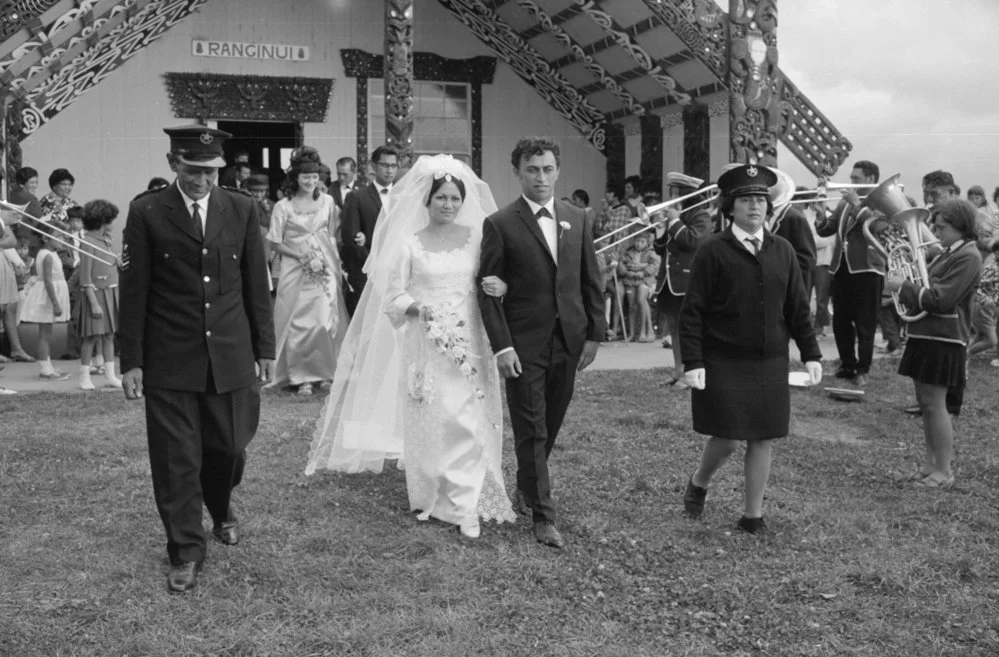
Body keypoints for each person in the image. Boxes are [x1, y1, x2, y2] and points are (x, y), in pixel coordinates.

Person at [306, 154, 515, 538]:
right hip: (427, 342)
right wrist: (417, 308)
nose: (448, 205)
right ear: (427, 200)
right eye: (441, 198)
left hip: (469, 342)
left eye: (454, 198)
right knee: (435, 417)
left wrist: (500, 286)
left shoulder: (477, 239)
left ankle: (465, 504)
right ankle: (434, 495)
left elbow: (492, 280)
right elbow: (392, 295)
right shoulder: (409, 244)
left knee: (468, 419)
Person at [118, 125, 274, 593]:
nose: (200, 180)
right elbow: (134, 290)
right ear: (172, 164)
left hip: (229, 353)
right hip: (169, 356)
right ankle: (185, 550)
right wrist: (131, 361)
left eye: (208, 171)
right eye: (191, 170)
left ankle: (221, 506)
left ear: (219, 168)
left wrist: (265, 348)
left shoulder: (241, 208)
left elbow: (255, 284)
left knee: (228, 446)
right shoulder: (147, 212)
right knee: (175, 458)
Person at [679, 164, 822, 534]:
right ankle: (699, 482)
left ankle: (752, 515)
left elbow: (796, 307)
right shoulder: (713, 250)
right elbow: (692, 311)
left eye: (760, 199)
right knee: (726, 438)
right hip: (723, 359)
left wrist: (811, 353)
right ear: (731, 207)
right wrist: (692, 361)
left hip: (769, 360)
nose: (755, 206)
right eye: (746, 200)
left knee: (763, 436)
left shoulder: (783, 251)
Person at [478, 137, 605, 549]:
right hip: (524, 344)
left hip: (569, 340)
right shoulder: (500, 223)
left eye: (548, 169)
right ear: (518, 172)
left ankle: (528, 484)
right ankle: (544, 516)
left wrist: (593, 335)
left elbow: (590, 281)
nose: (541, 177)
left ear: (558, 171)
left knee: (550, 422)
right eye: (532, 169)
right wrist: (502, 346)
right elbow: (488, 291)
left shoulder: (577, 218)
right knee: (531, 427)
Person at [885, 200, 982, 488]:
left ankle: (944, 470)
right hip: (925, 333)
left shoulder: (969, 256)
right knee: (926, 404)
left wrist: (903, 286)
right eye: (935, 226)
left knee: (936, 405)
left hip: (945, 337)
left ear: (960, 225)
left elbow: (941, 299)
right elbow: (926, 287)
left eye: (942, 227)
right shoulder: (946, 253)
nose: (936, 232)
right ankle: (930, 465)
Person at [266, 147, 348, 396]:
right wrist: (300, 255)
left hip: (322, 268)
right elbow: (274, 242)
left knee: (324, 320)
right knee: (298, 323)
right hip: (295, 268)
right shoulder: (283, 206)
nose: (311, 181)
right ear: (295, 178)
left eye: (315, 177)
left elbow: (332, 234)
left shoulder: (328, 202)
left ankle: (324, 372)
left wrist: (331, 262)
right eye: (305, 177)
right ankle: (301, 377)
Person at [815, 160, 885, 387]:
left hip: (866, 268)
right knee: (841, 321)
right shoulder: (845, 204)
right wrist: (820, 215)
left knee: (865, 322)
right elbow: (827, 229)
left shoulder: (881, 201)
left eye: (856, 178)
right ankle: (847, 364)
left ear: (871, 179)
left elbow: (877, 228)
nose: (851, 182)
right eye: (852, 177)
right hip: (842, 267)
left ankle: (863, 369)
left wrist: (858, 206)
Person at [653, 173, 714, 387]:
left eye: (676, 192)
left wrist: (675, 221)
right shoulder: (676, 216)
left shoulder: (701, 216)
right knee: (674, 327)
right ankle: (678, 369)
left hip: (687, 281)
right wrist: (660, 232)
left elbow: (693, 241)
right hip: (669, 281)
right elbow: (661, 251)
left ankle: (691, 371)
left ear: (687, 194)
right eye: (672, 191)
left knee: (689, 328)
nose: (672, 196)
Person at [342, 146, 399, 316]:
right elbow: (350, 237)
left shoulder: (404, 197)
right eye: (384, 165)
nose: (389, 170)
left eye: (393, 166)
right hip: (366, 270)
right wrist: (372, 263)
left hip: (397, 269)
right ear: (373, 167)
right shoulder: (357, 196)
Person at [76, 200, 121, 390]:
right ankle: (84, 377)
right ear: (103, 221)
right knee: (91, 337)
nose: (114, 224)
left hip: (110, 291)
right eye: (112, 220)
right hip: (95, 294)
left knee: (109, 335)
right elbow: (85, 277)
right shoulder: (87, 242)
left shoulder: (106, 240)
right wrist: (94, 303)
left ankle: (110, 375)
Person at [18, 224, 72, 380]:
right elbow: (48, 281)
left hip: (51, 294)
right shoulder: (47, 255)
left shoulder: (49, 253)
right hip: (48, 297)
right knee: (44, 334)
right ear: (45, 237)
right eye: (57, 235)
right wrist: (55, 302)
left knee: (46, 333)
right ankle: (45, 369)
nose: (61, 239)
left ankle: (48, 366)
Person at [597, 184, 633, 340]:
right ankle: (604, 328)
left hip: (615, 257)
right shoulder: (607, 210)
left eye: (608, 193)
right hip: (603, 276)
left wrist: (616, 257)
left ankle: (615, 328)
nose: (606, 196)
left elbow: (618, 235)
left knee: (619, 293)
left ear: (614, 194)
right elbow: (600, 230)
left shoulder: (623, 210)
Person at [618, 232, 659, 342]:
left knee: (641, 300)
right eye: (637, 241)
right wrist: (627, 272)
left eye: (642, 242)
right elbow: (621, 265)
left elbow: (655, 264)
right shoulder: (628, 252)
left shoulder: (651, 252)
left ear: (647, 242)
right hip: (630, 280)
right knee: (632, 306)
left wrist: (644, 271)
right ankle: (631, 334)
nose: (639, 244)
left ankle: (644, 331)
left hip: (645, 280)